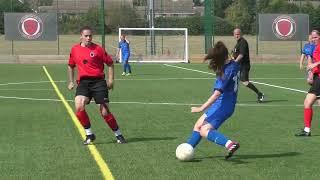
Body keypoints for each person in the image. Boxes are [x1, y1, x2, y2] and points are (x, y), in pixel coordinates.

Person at [67, 26, 126, 145]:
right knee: (79, 106)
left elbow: (110, 64)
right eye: (86, 36)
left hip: (98, 82)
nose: (88, 38)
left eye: (90, 36)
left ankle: (118, 134)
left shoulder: (98, 49)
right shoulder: (75, 49)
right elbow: (70, 65)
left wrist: (110, 80)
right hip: (83, 82)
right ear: (81, 36)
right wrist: (71, 81)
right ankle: (89, 134)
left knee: (104, 112)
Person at [185, 41, 240, 160]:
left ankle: (230, 144)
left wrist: (201, 108)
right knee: (198, 125)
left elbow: (216, 94)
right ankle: (187, 149)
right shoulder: (234, 64)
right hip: (222, 104)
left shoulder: (226, 72)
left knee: (204, 130)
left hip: (223, 106)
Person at [296, 30, 320, 136]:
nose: (314, 39)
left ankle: (307, 130)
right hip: (317, 77)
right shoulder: (315, 47)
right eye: (312, 37)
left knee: (307, 102)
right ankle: (307, 130)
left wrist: (314, 65)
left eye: (316, 37)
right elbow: (311, 59)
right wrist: (311, 72)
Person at [232, 28, 264, 103]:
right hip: (238, 66)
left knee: (245, 82)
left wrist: (235, 61)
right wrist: (232, 59)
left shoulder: (243, 42)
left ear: (241, 34)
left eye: (238, 34)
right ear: (233, 35)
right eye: (235, 34)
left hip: (244, 66)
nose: (237, 36)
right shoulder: (237, 43)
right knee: (234, 81)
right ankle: (233, 98)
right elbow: (235, 54)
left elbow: (241, 55)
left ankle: (260, 94)